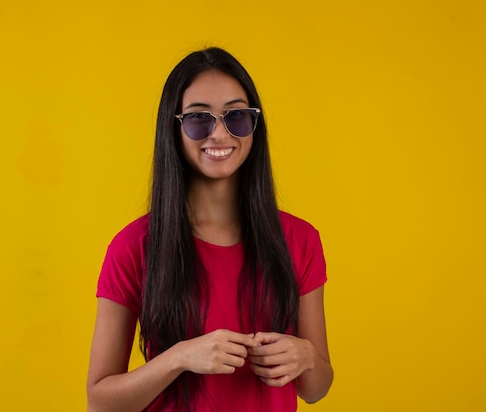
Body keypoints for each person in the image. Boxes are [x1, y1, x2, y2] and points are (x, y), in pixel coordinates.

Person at [87, 47, 333, 412]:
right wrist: (180, 357)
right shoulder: (134, 246)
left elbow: (315, 389)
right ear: (174, 127)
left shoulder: (300, 240)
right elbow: (100, 403)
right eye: (199, 118)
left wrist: (307, 356)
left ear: (254, 125)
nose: (219, 133)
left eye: (236, 116)